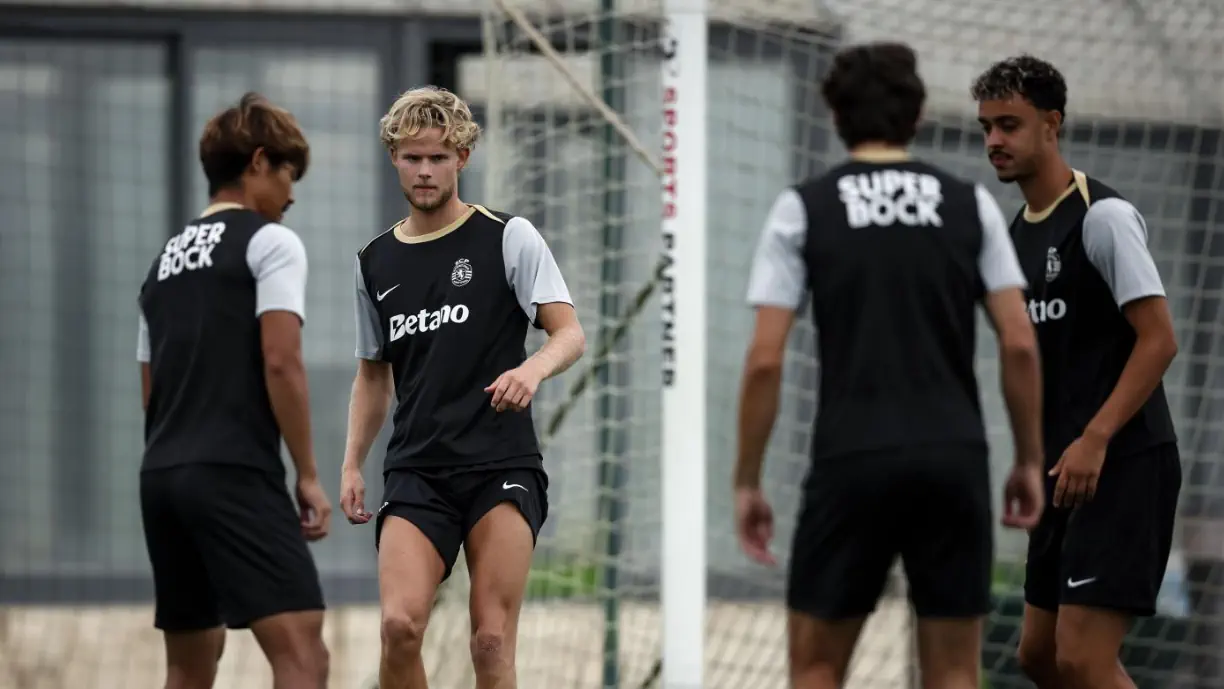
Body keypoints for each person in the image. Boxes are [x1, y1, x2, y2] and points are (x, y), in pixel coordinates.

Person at [733, 42, 1046, 689]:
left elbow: (765, 359)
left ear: (835, 115)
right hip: (952, 458)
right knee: (956, 671)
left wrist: (748, 479)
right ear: (918, 114)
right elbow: (1019, 341)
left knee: (816, 667)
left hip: (853, 456)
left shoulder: (805, 206)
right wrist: (1027, 457)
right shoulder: (970, 204)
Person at [338, 86, 586, 689]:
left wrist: (531, 370)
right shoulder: (374, 262)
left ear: (463, 158)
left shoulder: (508, 236)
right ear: (393, 157)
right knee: (399, 626)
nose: (425, 170)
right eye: (413, 157)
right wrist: (351, 464)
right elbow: (373, 373)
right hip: (418, 469)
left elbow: (570, 333)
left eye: (439, 157)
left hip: (499, 463)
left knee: (491, 640)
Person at [972, 54, 1182, 688]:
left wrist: (1096, 438)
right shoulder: (1013, 234)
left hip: (1123, 465)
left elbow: (1160, 340)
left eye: (1009, 125)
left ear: (1052, 124)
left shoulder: (1103, 218)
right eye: (986, 127)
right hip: (1062, 474)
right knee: (1037, 656)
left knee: (1082, 658)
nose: (993, 142)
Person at [137, 92, 331, 689]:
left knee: (191, 663)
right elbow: (281, 361)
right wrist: (306, 473)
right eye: (288, 174)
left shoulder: (162, 263)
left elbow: (151, 385)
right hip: (232, 471)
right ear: (258, 163)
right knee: (303, 651)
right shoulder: (270, 242)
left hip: (162, 475)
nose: (292, 194)